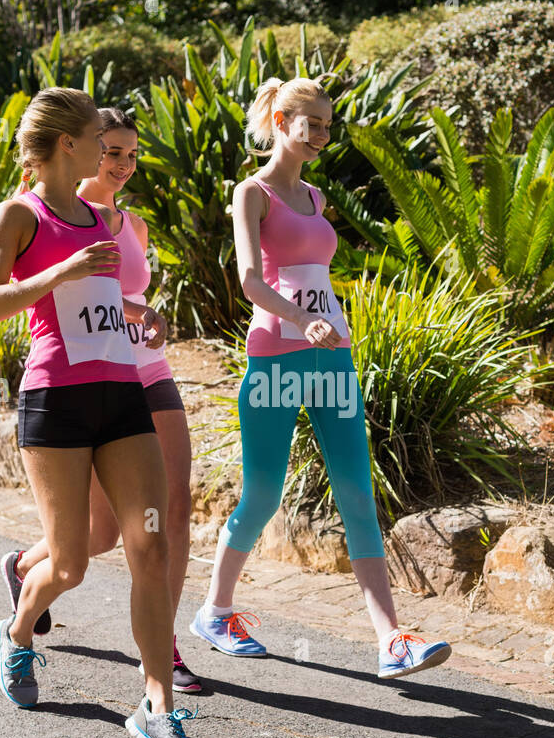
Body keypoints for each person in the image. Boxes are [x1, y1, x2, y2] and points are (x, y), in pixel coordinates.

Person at [190, 75, 452, 680]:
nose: (324, 136)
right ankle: (215, 611)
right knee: (262, 495)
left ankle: (390, 640)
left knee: (357, 492)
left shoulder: (317, 199)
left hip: (333, 356)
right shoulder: (251, 193)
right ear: (281, 123)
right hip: (276, 358)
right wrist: (303, 320)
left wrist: (327, 322)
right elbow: (252, 282)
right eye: (314, 125)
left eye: (329, 126)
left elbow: (314, 273)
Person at [0, 87, 206, 738]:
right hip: (55, 401)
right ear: (68, 144)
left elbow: (99, 298)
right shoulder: (20, 213)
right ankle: (18, 632)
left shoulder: (100, 216)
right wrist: (64, 268)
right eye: (93, 134)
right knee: (71, 561)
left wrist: (139, 313)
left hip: (121, 394)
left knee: (151, 544)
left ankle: (157, 710)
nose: (107, 146)